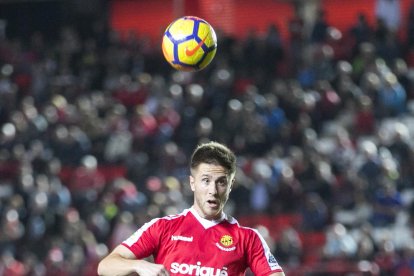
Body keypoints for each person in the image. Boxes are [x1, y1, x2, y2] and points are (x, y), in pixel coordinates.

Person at [97, 141, 285, 276]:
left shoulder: (248, 239)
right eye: (206, 181)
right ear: (192, 183)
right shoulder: (162, 227)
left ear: (230, 185)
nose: (213, 190)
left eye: (221, 182)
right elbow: (106, 266)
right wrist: (139, 266)